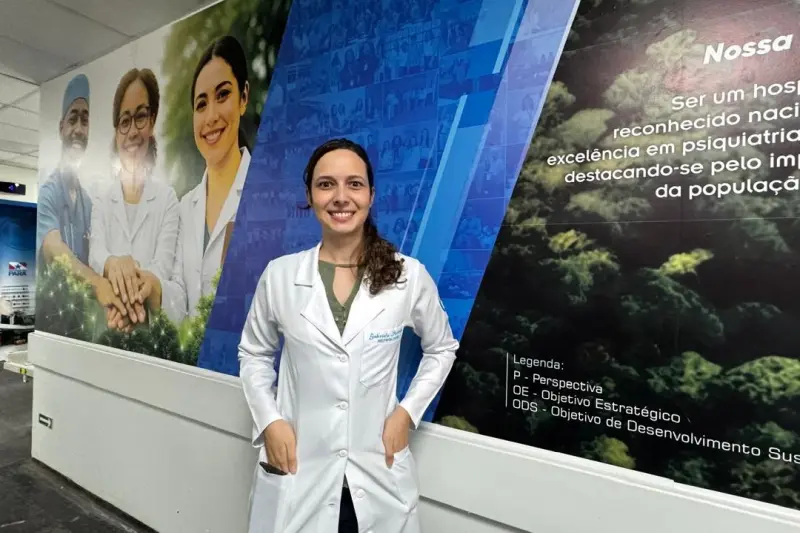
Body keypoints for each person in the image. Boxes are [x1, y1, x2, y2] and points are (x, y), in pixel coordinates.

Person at [238, 138, 459, 533]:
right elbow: (253, 353)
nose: (341, 197)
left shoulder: (408, 276)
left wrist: (406, 415)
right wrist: (270, 421)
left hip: (377, 473)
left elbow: (442, 348)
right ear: (310, 195)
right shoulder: (280, 276)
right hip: (300, 470)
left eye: (354, 184)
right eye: (326, 184)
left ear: (371, 194)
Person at [139, 35, 252, 324]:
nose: (211, 116)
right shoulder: (186, 207)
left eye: (223, 95)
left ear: (244, 98)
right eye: (201, 104)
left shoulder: (266, 192)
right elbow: (180, 298)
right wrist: (155, 290)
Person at [89, 69, 179, 330]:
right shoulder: (102, 198)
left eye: (140, 117)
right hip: (105, 331)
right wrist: (115, 263)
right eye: (124, 121)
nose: (131, 132)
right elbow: (97, 254)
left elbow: (162, 267)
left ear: (152, 121)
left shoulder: (168, 199)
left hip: (149, 331)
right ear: (116, 132)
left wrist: (130, 301)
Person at [36, 73, 126, 322]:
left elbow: (98, 253)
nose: (78, 129)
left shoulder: (88, 203)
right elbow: (53, 249)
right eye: (72, 119)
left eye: (84, 121)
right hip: (52, 322)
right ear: (61, 127)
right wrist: (97, 283)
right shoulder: (48, 193)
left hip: (81, 324)